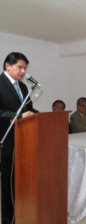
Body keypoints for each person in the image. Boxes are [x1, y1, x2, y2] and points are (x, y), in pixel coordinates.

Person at [0, 52, 38, 224]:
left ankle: (22, 217)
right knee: (8, 186)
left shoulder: (23, 87)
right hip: (6, 141)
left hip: (24, 142)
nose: (23, 72)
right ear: (7, 65)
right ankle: (8, 221)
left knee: (21, 183)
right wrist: (18, 116)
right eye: (19, 67)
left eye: (25, 68)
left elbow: (29, 109)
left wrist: (41, 116)